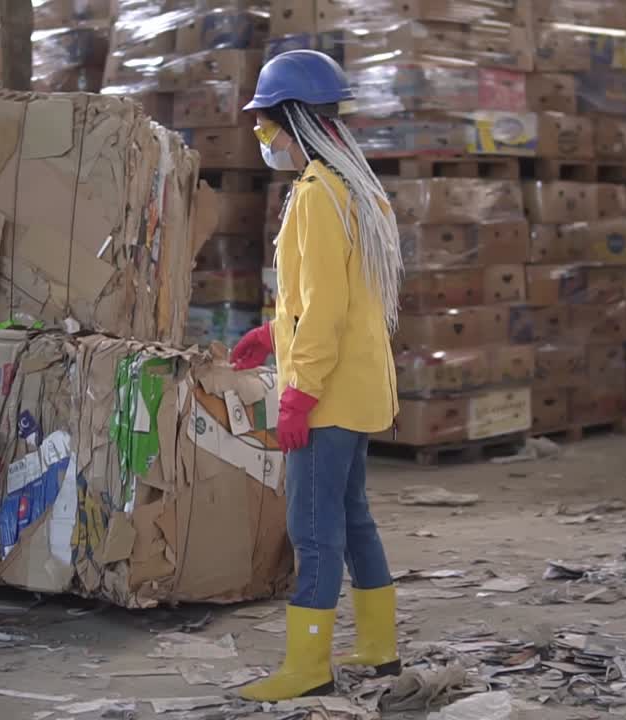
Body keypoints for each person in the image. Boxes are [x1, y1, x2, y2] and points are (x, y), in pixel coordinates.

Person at [229, 50, 403, 702]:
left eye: (264, 122)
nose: (261, 134)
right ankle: (380, 648)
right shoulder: (357, 188)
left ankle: (308, 667)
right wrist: (273, 333)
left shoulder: (315, 196)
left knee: (312, 530)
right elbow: (338, 301)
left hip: (326, 395)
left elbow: (325, 308)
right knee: (353, 518)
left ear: (292, 118)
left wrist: (297, 393)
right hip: (361, 387)